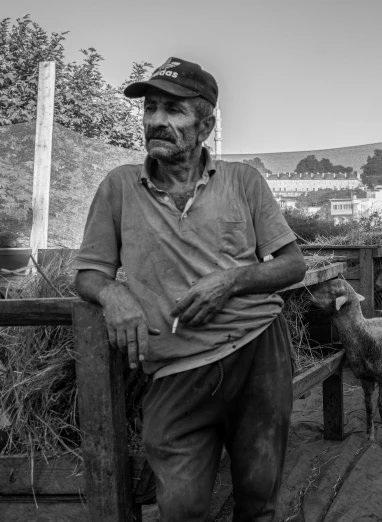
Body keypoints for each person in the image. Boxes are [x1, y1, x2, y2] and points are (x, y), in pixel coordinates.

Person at [73, 57, 306, 522]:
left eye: (173, 110)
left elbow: (292, 265)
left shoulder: (244, 181)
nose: (157, 120)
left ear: (205, 124)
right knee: (181, 508)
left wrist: (231, 280)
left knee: (259, 499)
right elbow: (87, 273)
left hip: (257, 353)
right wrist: (113, 295)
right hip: (175, 369)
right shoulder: (119, 187)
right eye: (151, 108)